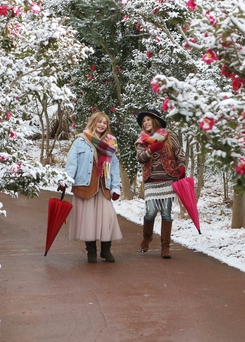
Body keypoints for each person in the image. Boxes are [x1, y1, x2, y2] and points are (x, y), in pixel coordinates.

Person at [59, 112, 122, 263]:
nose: (102, 125)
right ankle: (91, 252)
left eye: (105, 123)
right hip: (85, 187)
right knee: (88, 221)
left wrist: (115, 187)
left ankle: (106, 251)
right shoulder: (80, 141)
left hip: (103, 187)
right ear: (93, 122)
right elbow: (72, 163)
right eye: (99, 121)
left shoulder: (110, 143)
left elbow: (114, 167)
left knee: (107, 219)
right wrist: (66, 180)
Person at [135, 109, 186, 259]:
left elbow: (180, 154)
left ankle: (165, 246)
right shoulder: (141, 141)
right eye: (143, 121)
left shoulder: (170, 137)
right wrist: (150, 149)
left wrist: (181, 166)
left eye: (148, 120)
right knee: (150, 212)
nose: (145, 123)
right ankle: (147, 236)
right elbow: (140, 158)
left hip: (168, 178)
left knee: (166, 213)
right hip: (151, 180)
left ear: (155, 121)